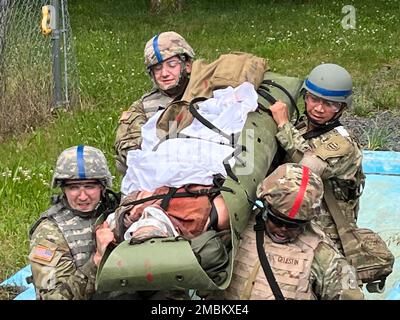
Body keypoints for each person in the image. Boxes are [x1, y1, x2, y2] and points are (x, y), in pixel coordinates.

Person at [224, 163, 364, 300]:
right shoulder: (237, 225)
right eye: (277, 220)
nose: (283, 229)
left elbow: (352, 295)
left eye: (294, 225)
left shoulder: (322, 252)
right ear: (266, 207)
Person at [269, 63, 365, 253]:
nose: (319, 108)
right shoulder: (304, 127)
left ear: (342, 108)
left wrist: (283, 125)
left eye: (329, 104)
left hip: (324, 230)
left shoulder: (344, 144)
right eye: (313, 99)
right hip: (289, 217)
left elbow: (308, 167)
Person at [28, 145, 120, 300]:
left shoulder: (119, 211)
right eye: (74, 188)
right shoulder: (48, 233)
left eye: (90, 186)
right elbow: (53, 297)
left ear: (102, 187)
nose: (83, 196)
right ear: (63, 189)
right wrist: (96, 260)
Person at [114, 31, 195, 175]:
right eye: (157, 68)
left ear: (187, 65)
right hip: (158, 178)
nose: (164, 73)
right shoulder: (142, 107)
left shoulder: (210, 95)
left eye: (171, 64)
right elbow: (127, 151)